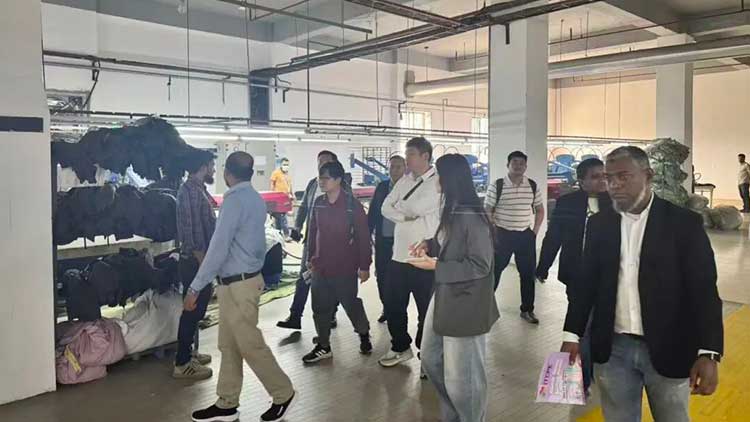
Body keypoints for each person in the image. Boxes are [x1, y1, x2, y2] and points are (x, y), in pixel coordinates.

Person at [561, 146, 723, 422]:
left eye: (623, 176)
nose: (614, 185)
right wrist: (571, 335)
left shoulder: (683, 223)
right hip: (613, 350)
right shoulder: (600, 223)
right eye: (609, 178)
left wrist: (709, 352)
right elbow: (586, 283)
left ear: (648, 176)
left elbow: (704, 290)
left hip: (670, 345)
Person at [186, 152, 296, 422]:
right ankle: (227, 402)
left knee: (249, 344)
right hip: (238, 282)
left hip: (239, 285)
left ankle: (283, 392)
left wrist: (195, 287)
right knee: (228, 345)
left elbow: (218, 247)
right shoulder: (255, 199)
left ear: (227, 173)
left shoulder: (234, 201)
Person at [409, 154, 499, 422]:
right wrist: (429, 244)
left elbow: (480, 264)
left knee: (465, 381)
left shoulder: (471, 215)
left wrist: (436, 266)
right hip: (446, 295)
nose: (435, 179)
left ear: (450, 178)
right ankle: (455, 415)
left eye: (438, 174)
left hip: (467, 302)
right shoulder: (452, 208)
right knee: (431, 358)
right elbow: (449, 242)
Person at [536, 157, 610, 392]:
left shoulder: (615, 202)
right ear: (581, 180)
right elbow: (554, 237)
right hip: (577, 274)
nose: (602, 181)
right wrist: (543, 266)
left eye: (604, 176)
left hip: (608, 277)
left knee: (601, 326)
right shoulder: (567, 203)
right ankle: (582, 379)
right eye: (595, 177)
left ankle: (602, 370)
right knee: (581, 326)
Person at [302, 161, 373, 363]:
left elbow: (363, 238)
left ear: (338, 180)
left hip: (344, 267)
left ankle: (363, 333)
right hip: (320, 266)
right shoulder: (319, 203)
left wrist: (365, 266)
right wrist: (310, 257)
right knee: (319, 307)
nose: (321, 182)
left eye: (326, 178)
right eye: (320, 177)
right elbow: (313, 231)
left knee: (350, 304)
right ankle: (323, 345)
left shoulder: (352, 206)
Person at [379, 137, 440, 369]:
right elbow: (385, 207)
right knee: (393, 304)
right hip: (398, 256)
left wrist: (401, 207)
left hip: (424, 258)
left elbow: (417, 207)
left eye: (411, 154)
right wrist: (405, 215)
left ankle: (427, 355)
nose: (407, 159)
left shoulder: (437, 182)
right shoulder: (405, 180)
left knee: (426, 309)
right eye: (406, 154)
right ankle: (400, 347)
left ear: (425, 156)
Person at [277, 150, 344, 330]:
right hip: (312, 240)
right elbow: (304, 207)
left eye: (326, 162)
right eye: (319, 162)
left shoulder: (342, 186)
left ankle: (331, 314)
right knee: (303, 277)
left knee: (330, 278)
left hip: (332, 242)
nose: (322, 165)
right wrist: (297, 227)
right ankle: (295, 316)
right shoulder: (313, 184)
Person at [484, 150, 545, 324]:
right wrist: (493, 230)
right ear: (508, 165)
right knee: (494, 272)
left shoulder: (532, 185)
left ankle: (527, 310)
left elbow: (540, 210)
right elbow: (487, 209)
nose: (518, 166)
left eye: (521, 163)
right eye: (514, 163)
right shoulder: (497, 185)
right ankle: (485, 309)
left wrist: (534, 231)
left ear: (525, 166)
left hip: (525, 235)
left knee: (528, 274)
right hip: (502, 235)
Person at [173, 150, 217, 380]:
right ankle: (182, 363)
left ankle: (189, 353)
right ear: (202, 166)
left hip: (201, 260)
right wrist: (203, 265)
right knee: (191, 310)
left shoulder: (199, 189)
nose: (214, 169)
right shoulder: (189, 191)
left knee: (197, 309)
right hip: (195, 261)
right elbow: (191, 233)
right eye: (211, 165)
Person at [367, 155, 407, 323]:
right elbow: (373, 212)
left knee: (400, 278)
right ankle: (387, 307)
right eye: (392, 167)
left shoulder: (410, 187)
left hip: (403, 242)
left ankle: (398, 310)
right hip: (384, 240)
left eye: (398, 167)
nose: (394, 170)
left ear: (405, 168)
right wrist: (367, 233)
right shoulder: (382, 187)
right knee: (382, 276)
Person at [270, 157, 293, 236]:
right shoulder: (276, 173)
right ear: (280, 165)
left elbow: (289, 186)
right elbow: (272, 185)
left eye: (287, 165)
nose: (286, 166)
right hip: (278, 198)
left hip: (286, 198)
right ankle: (285, 234)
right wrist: (272, 197)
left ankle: (279, 233)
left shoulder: (287, 175)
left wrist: (292, 195)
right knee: (281, 217)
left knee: (281, 217)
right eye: (284, 164)